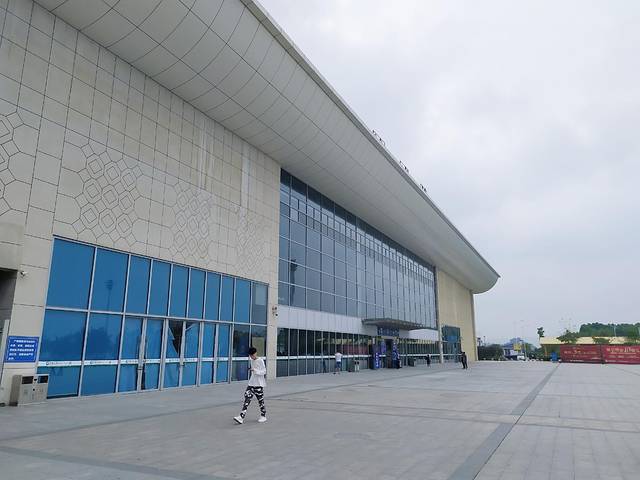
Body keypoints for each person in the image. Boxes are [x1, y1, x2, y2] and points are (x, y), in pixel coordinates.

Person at [234, 347, 267, 424]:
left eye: (252, 355)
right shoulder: (252, 361)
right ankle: (241, 417)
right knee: (247, 398)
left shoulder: (260, 360)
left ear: (255, 353)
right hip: (252, 383)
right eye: (250, 356)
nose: (252, 357)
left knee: (260, 401)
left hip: (259, 384)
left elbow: (264, 371)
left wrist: (255, 370)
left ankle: (263, 416)